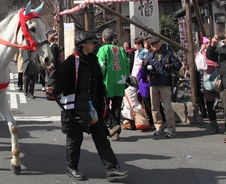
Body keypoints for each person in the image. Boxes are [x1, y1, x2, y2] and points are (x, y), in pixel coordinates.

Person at [46, 31, 129, 182]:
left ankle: (112, 169)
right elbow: (59, 77)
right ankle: (72, 168)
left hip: (92, 109)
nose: (94, 44)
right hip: (74, 109)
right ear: (83, 44)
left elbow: (98, 86)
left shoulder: (93, 61)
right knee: (74, 140)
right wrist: (53, 87)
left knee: (101, 138)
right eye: (92, 42)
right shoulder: (72, 61)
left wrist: (103, 107)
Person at [142, 36, 181, 138]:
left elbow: (178, 64)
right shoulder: (149, 56)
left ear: (160, 43)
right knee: (154, 107)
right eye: (152, 44)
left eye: (156, 43)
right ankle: (159, 126)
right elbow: (145, 71)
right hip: (153, 83)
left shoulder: (167, 54)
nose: (155, 46)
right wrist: (144, 66)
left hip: (165, 83)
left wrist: (170, 66)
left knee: (167, 107)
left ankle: (171, 128)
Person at [97, 28, 128, 141]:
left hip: (107, 82)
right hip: (120, 81)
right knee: (116, 107)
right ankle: (116, 131)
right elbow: (126, 64)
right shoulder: (120, 49)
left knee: (104, 105)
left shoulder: (103, 49)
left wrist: (98, 79)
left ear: (103, 38)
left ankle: (114, 125)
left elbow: (101, 66)